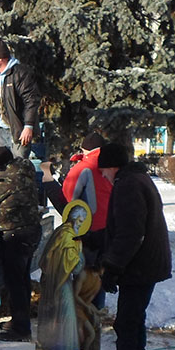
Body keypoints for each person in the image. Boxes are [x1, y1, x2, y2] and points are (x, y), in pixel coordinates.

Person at [92, 142, 172, 350]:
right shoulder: (139, 179)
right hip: (147, 264)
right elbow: (126, 228)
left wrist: (112, 269)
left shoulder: (127, 185)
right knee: (134, 320)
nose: (103, 175)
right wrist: (96, 239)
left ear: (112, 166)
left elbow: (130, 234)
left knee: (126, 323)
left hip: (139, 267)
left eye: (103, 170)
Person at [0, 146, 43, 341]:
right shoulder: (24, 170)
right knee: (22, 280)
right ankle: (19, 320)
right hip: (30, 230)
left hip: (16, 234)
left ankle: (21, 329)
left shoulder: (7, 178)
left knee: (15, 283)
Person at [36, 200, 102, 350]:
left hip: (51, 282)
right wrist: (80, 254)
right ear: (74, 219)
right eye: (80, 221)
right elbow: (76, 266)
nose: (81, 225)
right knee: (67, 320)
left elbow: (46, 259)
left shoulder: (59, 232)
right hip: (62, 283)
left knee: (56, 319)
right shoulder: (70, 237)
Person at [61, 131, 113, 308]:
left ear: (85, 149)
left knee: (86, 274)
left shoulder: (82, 168)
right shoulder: (113, 165)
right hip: (111, 227)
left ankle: (86, 314)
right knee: (101, 271)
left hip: (88, 229)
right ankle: (98, 310)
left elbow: (69, 198)